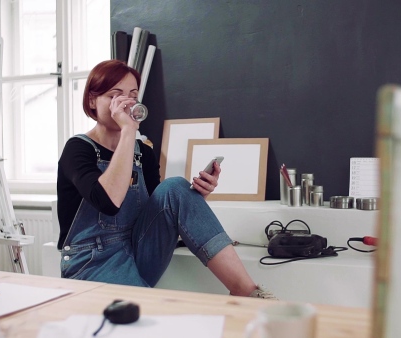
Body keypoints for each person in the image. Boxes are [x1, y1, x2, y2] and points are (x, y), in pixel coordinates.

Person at [56, 59, 276, 299]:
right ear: (92, 100)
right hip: (94, 260)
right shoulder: (77, 149)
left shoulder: (144, 153)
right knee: (146, 321)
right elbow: (109, 202)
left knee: (176, 187)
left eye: (132, 95)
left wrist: (194, 198)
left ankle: (248, 294)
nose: (126, 104)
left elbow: (155, 211)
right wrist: (129, 129)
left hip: (137, 250)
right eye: (115, 96)